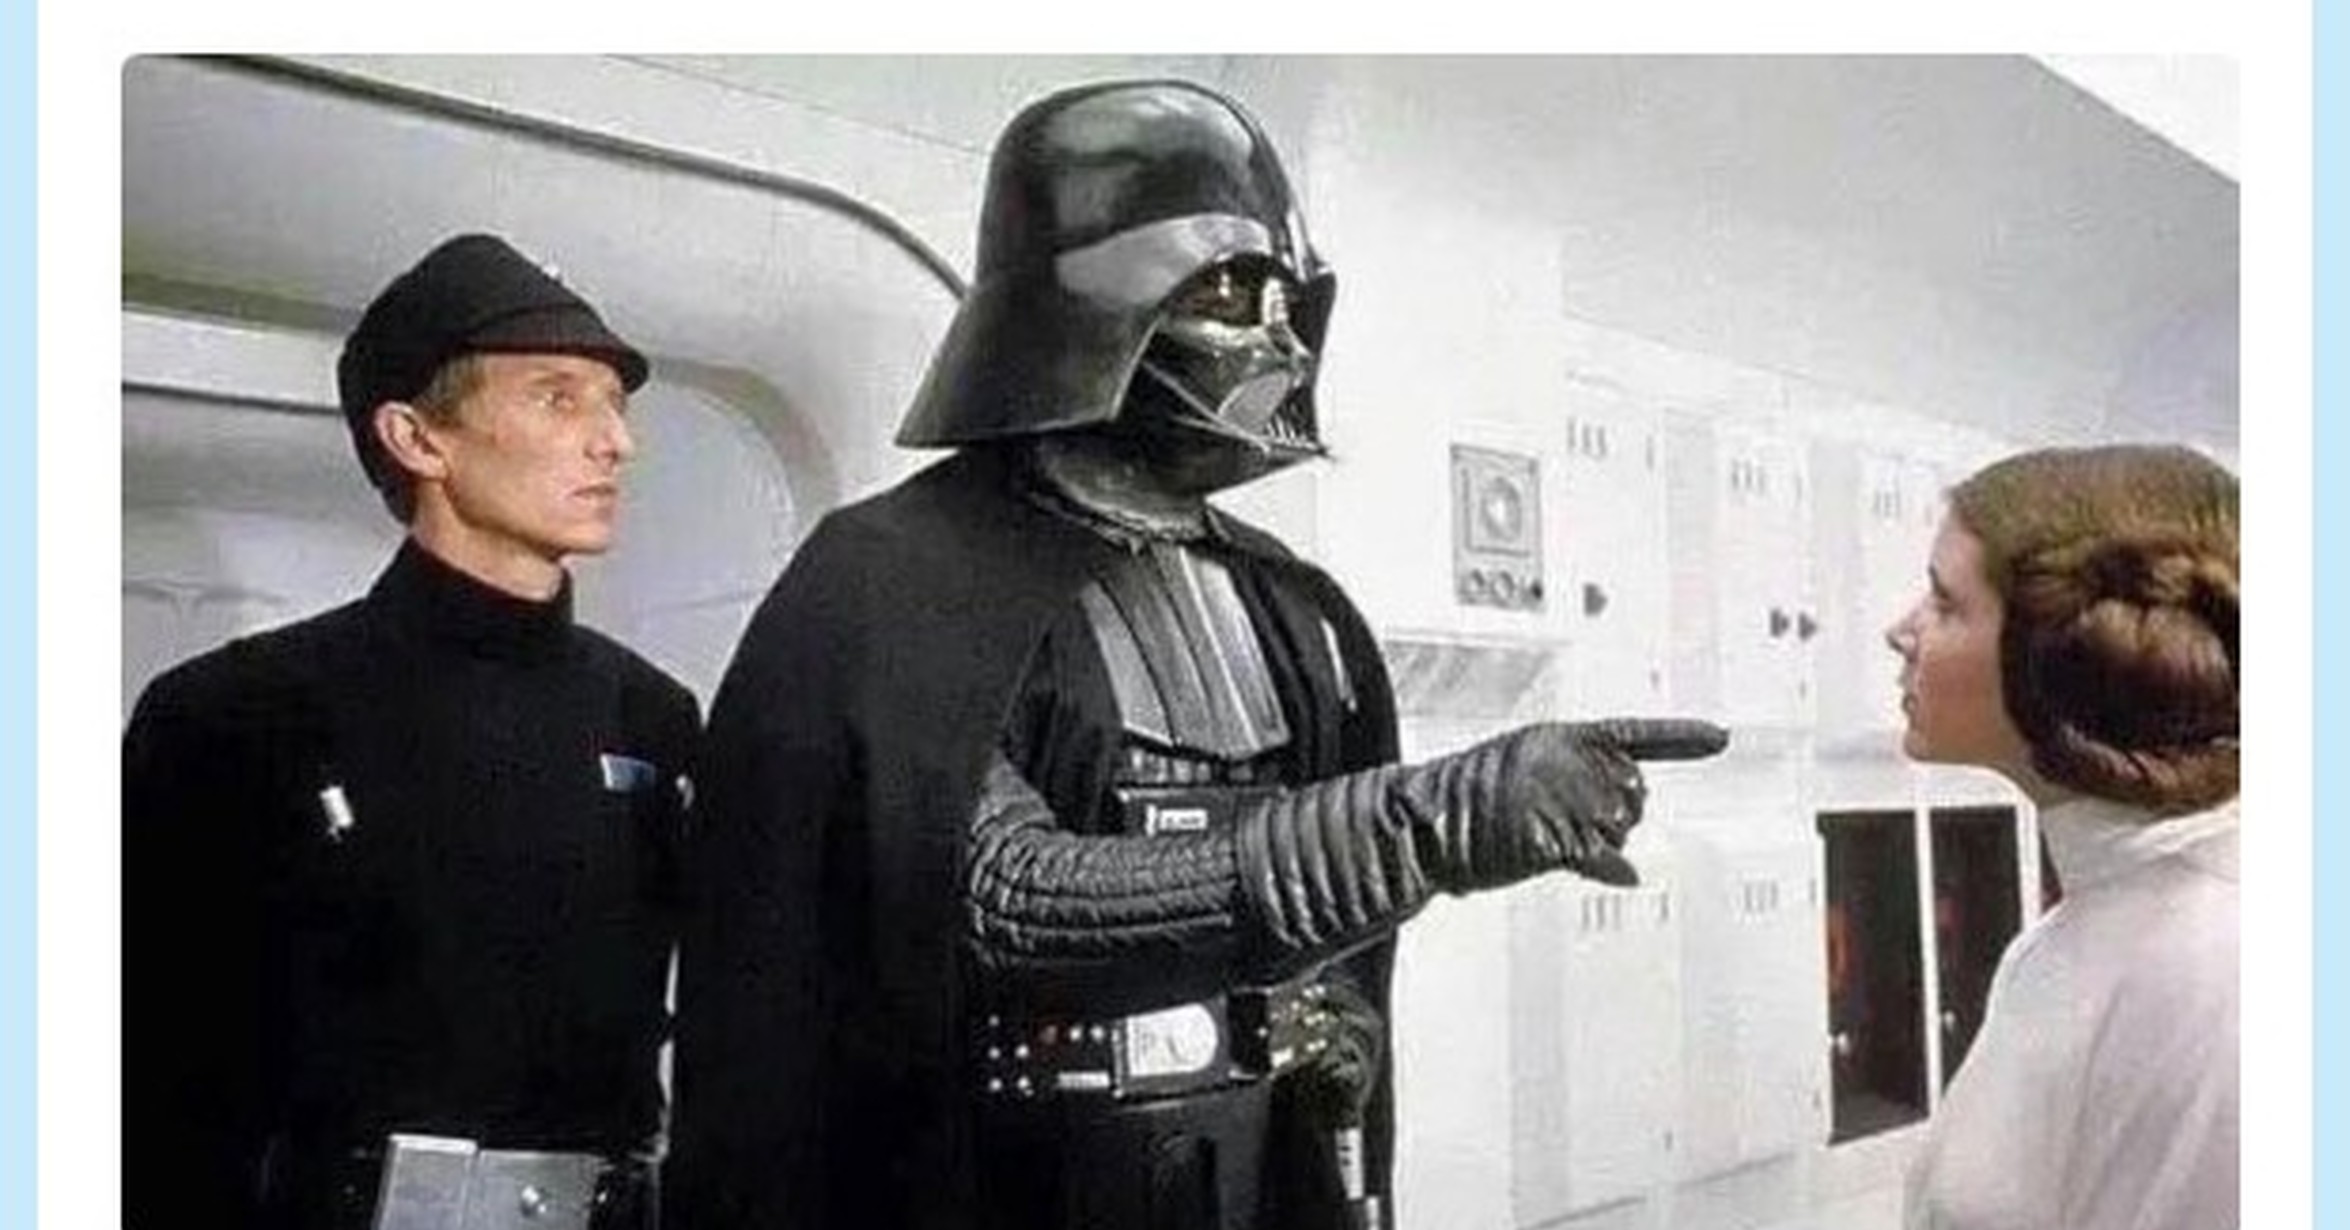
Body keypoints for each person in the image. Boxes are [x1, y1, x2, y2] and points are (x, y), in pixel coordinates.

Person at [666, 79, 1726, 1230]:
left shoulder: (1288, 603)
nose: (1275, 338)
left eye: (1284, 300)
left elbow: (1321, 931)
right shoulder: (890, 577)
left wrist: (1330, 1021)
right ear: (1081, 307)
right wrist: (1429, 827)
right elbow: (1007, 902)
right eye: (1228, 290)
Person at [122, 233, 698, 1230]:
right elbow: (147, 1080)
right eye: (557, 398)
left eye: (614, 403)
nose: (614, 440)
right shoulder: (235, 715)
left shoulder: (654, 717)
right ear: (418, 438)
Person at [1885, 444, 2238, 1230]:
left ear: (2061, 653)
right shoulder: (2061, 941)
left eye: (1945, 604)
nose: (1899, 630)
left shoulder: (2214, 965)